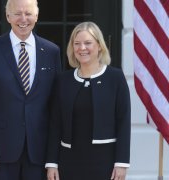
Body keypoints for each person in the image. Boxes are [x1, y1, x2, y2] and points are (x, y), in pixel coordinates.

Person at [0, 0, 62, 179]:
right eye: (17, 13)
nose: (23, 19)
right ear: (8, 16)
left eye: (28, 13)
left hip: (39, 150)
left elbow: (55, 107)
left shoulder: (51, 51)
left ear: (36, 16)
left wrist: (53, 156)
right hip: (0, 151)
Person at [46, 21, 131, 180]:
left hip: (105, 162)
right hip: (69, 162)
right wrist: (52, 164)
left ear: (99, 46)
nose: (82, 48)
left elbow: (123, 122)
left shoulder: (115, 78)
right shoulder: (63, 81)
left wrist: (121, 163)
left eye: (88, 43)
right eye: (77, 43)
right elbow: (55, 124)